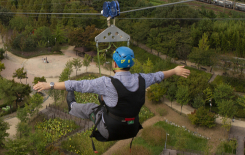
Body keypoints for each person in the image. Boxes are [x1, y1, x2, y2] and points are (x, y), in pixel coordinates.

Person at [33, 47, 190, 142]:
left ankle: (72, 106)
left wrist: (50, 85)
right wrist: (175, 71)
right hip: (132, 127)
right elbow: (159, 75)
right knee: (103, 100)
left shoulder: (106, 83)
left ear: (114, 64)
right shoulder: (142, 80)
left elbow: (79, 85)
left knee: (91, 108)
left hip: (110, 130)